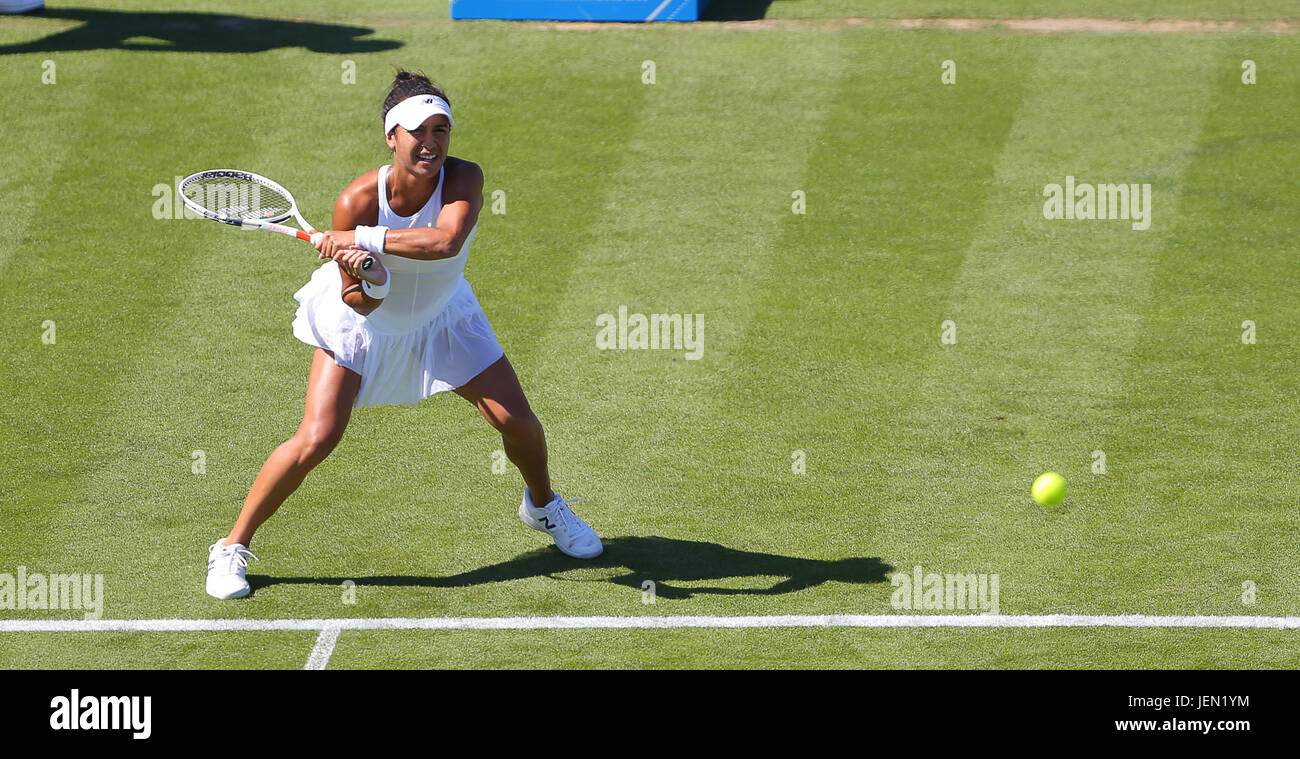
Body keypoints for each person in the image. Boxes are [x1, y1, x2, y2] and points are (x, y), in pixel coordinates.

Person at [206, 71, 602, 600]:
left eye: (441, 130)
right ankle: (232, 546)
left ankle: (543, 505)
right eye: (419, 131)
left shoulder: (464, 178)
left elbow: (445, 241)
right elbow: (357, 301)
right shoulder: (356, 201)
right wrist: (372, 276)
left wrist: (363, 242)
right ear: (392, 137)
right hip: (366, 324)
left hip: (443, 314)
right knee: (317, 438)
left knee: (519, 423)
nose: (432, 142)